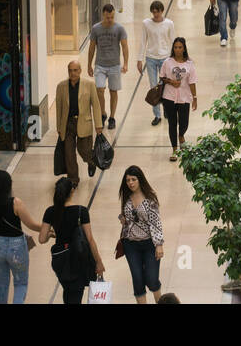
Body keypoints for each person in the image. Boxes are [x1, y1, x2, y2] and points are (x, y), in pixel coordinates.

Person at [0, 169, 48, 304]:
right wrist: (47, 227)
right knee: (20, 283)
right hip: (16, 247)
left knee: (2, 282)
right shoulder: (15, 203)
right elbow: (31, 224)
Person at [40, 176, 105, 304]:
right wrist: (99, 262)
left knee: (68, 291)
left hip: (60, 260)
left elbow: (42, 239)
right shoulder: (81, 211)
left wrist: (51, 235)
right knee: (75, 294)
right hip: (78, 257)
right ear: (72, 191)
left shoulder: (50, 211)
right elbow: (90, 239)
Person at [116, 165, 164, 303]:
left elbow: (156, 223)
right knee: (137, 280)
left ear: (140, 180)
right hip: (130, 244)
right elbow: (124, 215)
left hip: (149, 244)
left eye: (133, 179)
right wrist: (122, 218)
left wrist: (159, 245)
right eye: (128, 180)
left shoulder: (150, 198)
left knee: (152, 279)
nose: (130, 183)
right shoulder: (126, 196)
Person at [54, 60, 104, 185]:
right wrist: (59, 126)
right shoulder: (61, 87)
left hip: (83, 123)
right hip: (68, 124)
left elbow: (96, 105)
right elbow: (59, 108)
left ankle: (91, 162)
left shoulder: (89, 85)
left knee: (85, 151)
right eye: (70, 70)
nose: (73, 73)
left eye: (75, 70)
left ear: (80, 71)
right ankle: (73, 179)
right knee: (69, 154)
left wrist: (99, 124)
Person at [87, 3, 128, 130]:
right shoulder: (96, 29)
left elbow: (125, 47)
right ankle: (103, 113)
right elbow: (92, 47)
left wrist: (126, 63)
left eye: (112, 17)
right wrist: (89, 65)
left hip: (114, 65)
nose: (110, 20)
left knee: (113, 91)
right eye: (107, 17)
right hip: (100, 65)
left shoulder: (119, 29)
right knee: (99, 89)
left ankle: (112, 117)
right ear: (103, 15)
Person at [159, 37, 197, 160]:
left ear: (184, 48)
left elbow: (192, 82)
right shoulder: (167, 62)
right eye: (175, 47)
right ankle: (175, 150)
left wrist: (195, 98)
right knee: (172, 123)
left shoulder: (190, 64)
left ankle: (181, 135)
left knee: (184, 122)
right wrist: (171, 81)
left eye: (180, 47)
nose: (177, 50)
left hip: (184, 98)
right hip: (169, 97)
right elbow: (162, 77)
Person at [139, 0, 174, 127]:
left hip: (165, 58)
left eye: (157, 12)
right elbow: (143, 41)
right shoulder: (146, 24)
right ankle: (157, 115)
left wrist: (174, 59)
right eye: (153, 12)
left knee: (165, 86)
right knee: (154, 87)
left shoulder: (169, 24)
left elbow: (173, 41)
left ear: (161, 11)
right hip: (151, 58)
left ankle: (166, 110)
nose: (155, 14)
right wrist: (139, 59)